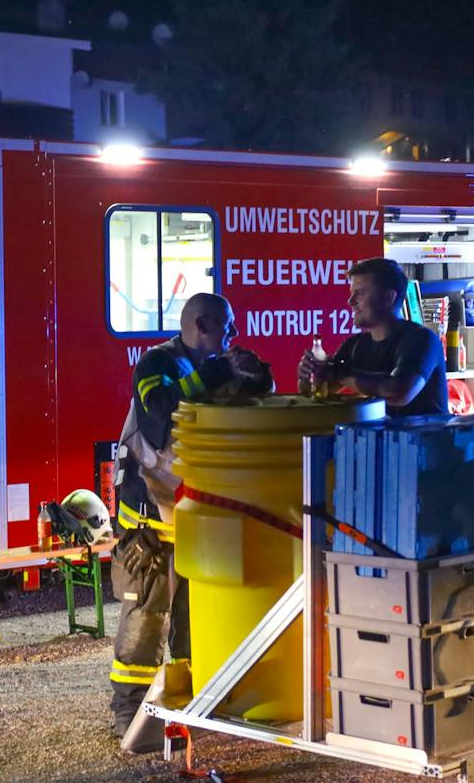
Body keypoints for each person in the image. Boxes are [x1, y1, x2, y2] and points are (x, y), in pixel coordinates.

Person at [110, 292, 273, 742]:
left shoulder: (210, 367)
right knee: (146, 615)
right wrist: (216, 373)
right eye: (227, 327)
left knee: (193, 617)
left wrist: (255, 376)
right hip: (150, 521)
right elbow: (160, 413)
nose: (233, 336)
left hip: (196, 518)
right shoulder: (155, 364)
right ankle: (129, 713)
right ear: (201, 324)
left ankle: (188, 704)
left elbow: (254, 402)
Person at [299, 257, 449, 418]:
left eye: (360, 293)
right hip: (378, 441)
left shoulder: (421, 339)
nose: (351, 301)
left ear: (388, 298)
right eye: (351, 294)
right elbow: (321, 390)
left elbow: (400, 392)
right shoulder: (356, 345)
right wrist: (310, 374)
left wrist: (339, 373)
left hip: (422, 441)